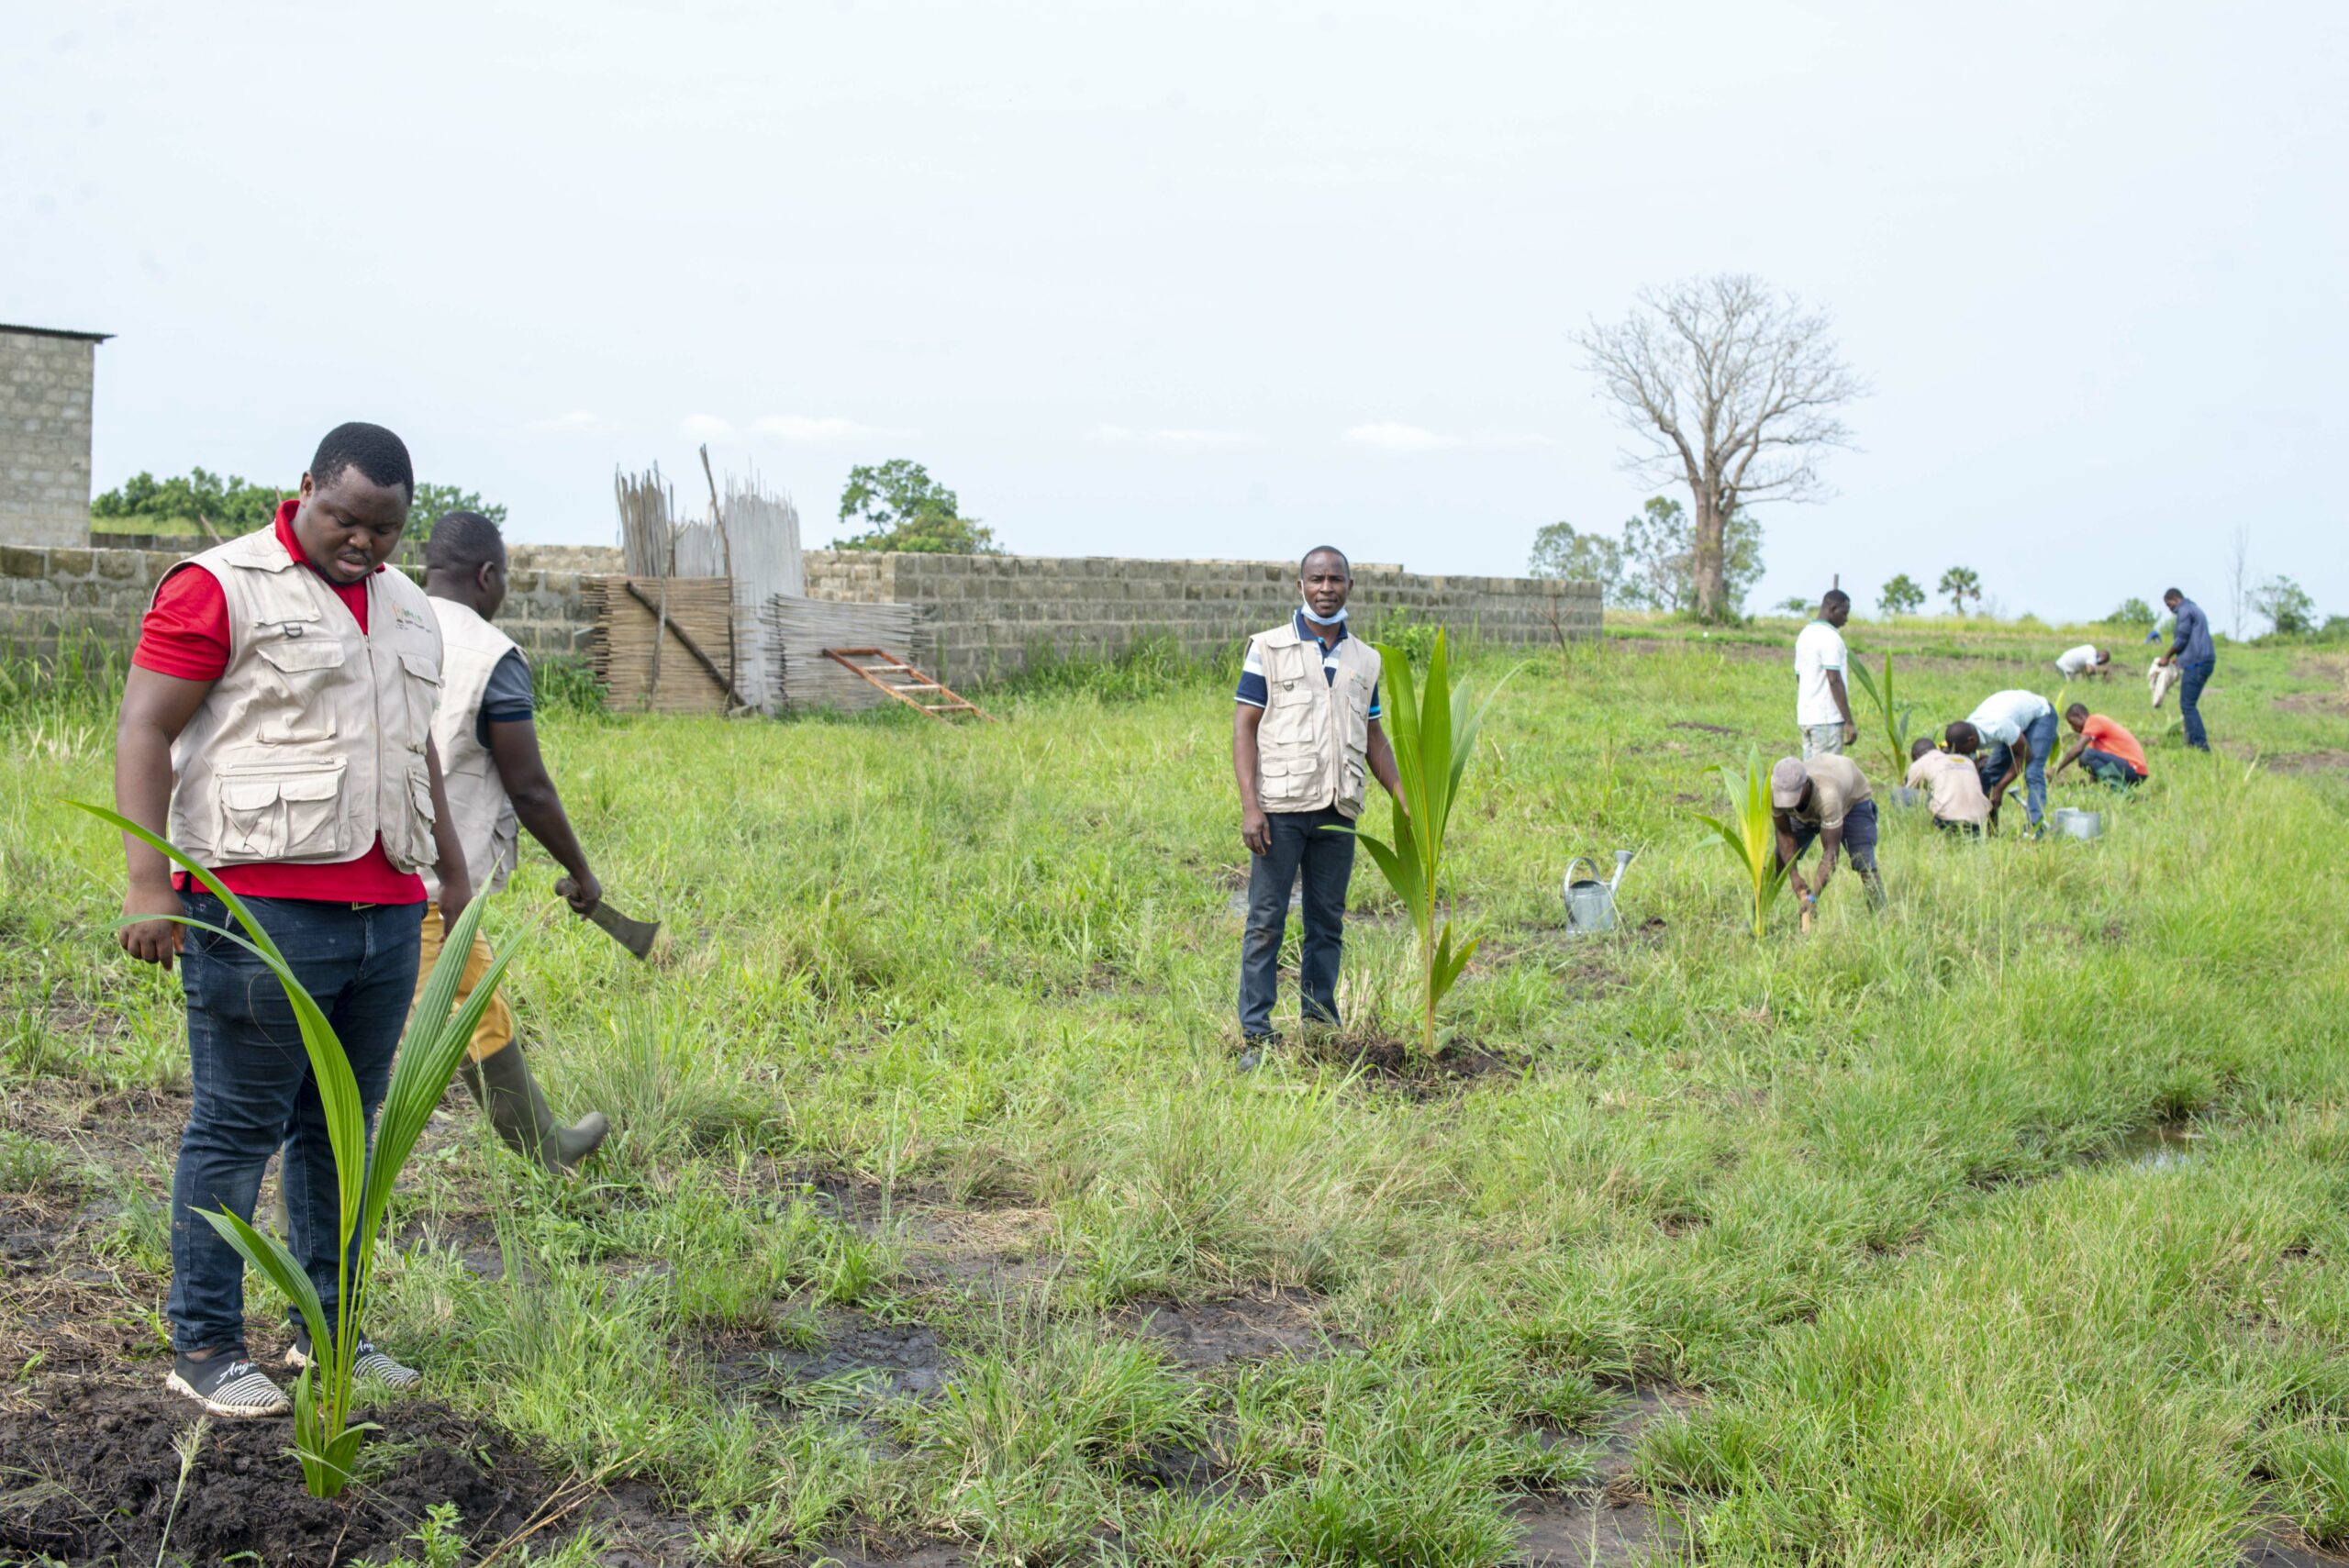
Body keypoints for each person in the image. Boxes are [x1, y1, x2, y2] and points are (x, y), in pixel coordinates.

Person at [115, 424, 470, 1418]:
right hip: (258, 909)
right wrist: (150, 885)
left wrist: (449, 860)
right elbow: (147, 725)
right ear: (305, 485)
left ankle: (329, 1330)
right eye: (345, 518)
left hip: (387, 912)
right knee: (237, 1125)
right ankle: (206, 1345)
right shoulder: (220, 585)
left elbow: (416, 745)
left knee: (342, 1132)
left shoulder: (407, 604)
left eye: (385, 529)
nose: (363, 543)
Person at [419, 512, 610, 1169]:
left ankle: (544, 1144)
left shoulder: (379, 620)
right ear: (488, 575)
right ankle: (546, 1150)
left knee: (471, 999)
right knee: (470, 1006)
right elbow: (528, 786)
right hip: (427, 884)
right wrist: (581, 871)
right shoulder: (490, 656)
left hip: (342, 870)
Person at [1233, 546, 1404, 1048]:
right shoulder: (1268, 648)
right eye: (1316, 579)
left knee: (1326, 923)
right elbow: (1245, 728)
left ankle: (1320, 1030)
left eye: (1335, 579)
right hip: (1280, 811)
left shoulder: (1364, 660)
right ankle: (1257, 1035)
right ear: (1300, 587)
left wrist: (1402, 796)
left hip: (1337, 811)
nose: (1325, 588)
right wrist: (1250, 806)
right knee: (1266, 922)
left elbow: (1374, 737)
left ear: (1350, 586)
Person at [1769, 753, 1884, 918]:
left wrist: (1812, 896)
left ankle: (1881, 916)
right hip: (1811, 806)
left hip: (1851, 801)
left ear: (1806, 784)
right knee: (1779, 861)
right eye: (1783, 798)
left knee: (1864, 862)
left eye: (1793, 796)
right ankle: (1755, 915)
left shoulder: (1827, 795)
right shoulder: (1775, 792)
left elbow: (1831, 852)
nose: (1788, 804)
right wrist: (1794, 876)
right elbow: (1784, 833)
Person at [1965, 688, 2060, 831]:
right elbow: (1974, 772)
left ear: (1971, 741)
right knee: (1988, 775)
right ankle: (1988, 830)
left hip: (2040, 715)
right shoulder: (1964, 733)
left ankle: (2035, 829)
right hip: (2013, 719)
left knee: (2032, 772)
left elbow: (2025, 755)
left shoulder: (1998, 726)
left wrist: (1999, 788)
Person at [1793, 590, 1856, 758]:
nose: (1846, 620)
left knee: (1811, 776)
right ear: (1832, 608)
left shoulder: (1804, 635)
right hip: (1827, 720)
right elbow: (1834, 680)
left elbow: (1800, 677)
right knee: (1828, 777)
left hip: (1807, 717)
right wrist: (1849, 721)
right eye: (1844, 613)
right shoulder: (1830, 638)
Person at [2155, 587, 2215, 751]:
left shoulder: (2184, 611)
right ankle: (2190, 742)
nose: (2171, 610)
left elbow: (2181, 639)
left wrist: (2166, 657)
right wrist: (2179, 659)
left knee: (2187, 705)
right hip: (2203, 660)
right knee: (2189, 704)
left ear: (2175, 599)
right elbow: (2193, 640)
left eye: (2169, 605)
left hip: (2197, 663)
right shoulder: (2194, 609)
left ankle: (2200, 745)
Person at [2052, 703, 2150, 790]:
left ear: (2080, 716)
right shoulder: (2094, 738)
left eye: (2072, 723)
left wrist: (2057, 770)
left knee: (2086, 755)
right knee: (2088, 756)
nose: (2073, 729)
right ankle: (2119, 788)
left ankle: (2121, 790)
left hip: (2134, 769)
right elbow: (2099, 767)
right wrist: (2087, 786)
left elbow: (2078, 749)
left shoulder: (2093, 720)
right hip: (2134, 771)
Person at [1907, 734, 1990, 834]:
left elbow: (1909, 792)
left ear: (1916, 755)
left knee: (1898, 794)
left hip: (1947, 822)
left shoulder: (1919, 763)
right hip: (1978, 822)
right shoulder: (1966, 760)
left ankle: (1918, 831)